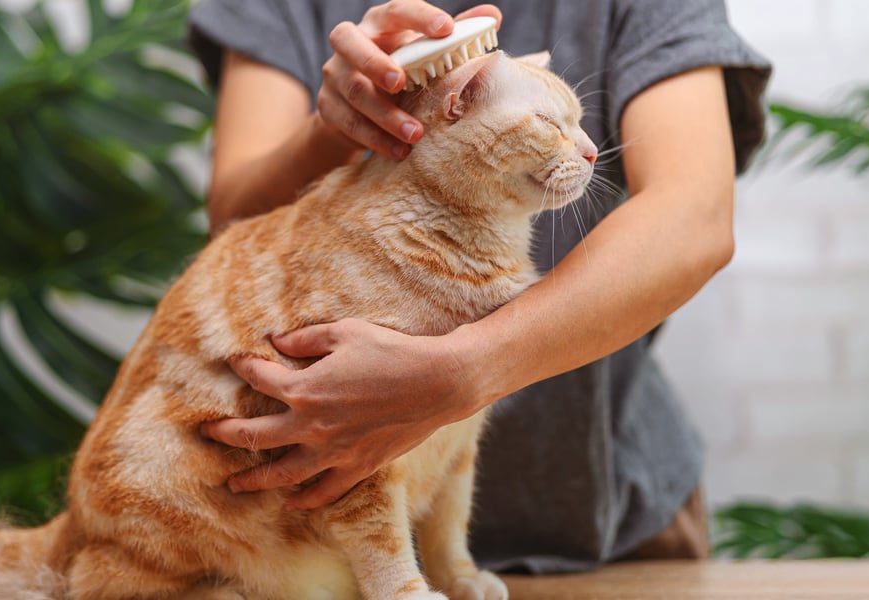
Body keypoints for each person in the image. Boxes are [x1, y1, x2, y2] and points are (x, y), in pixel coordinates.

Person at [186, 0, 771, 573]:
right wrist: (336, 129)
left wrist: (462, 372)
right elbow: (236, 225)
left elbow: (695, 216)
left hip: (614, 510)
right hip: (309, 539)